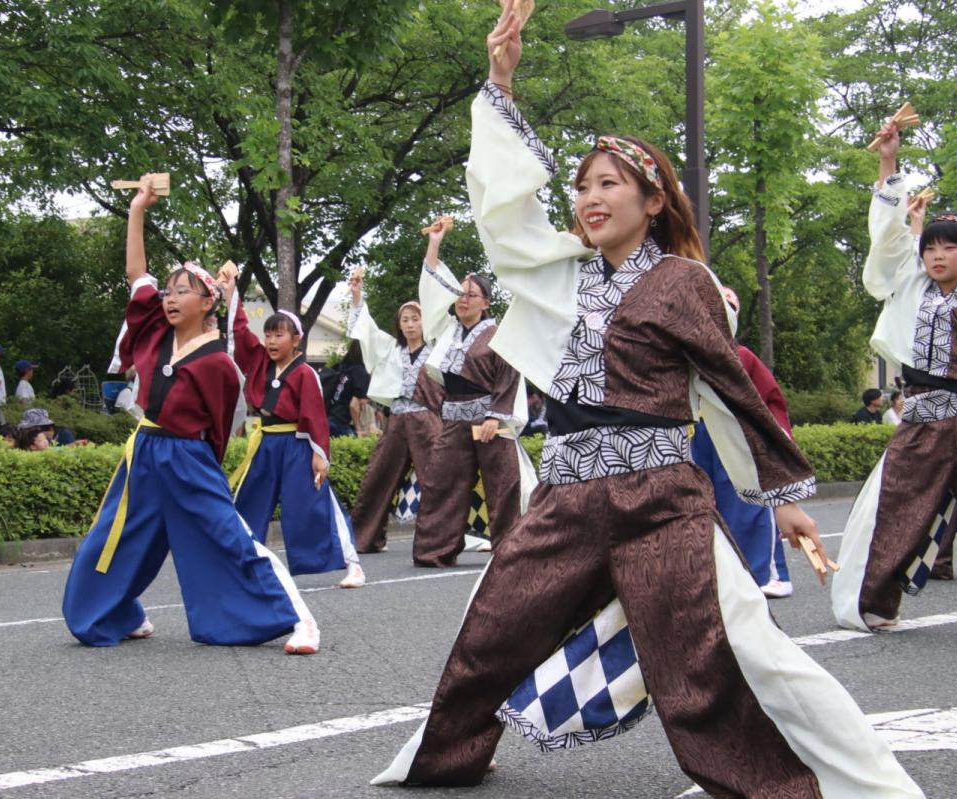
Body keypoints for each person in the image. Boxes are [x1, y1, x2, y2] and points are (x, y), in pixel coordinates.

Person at [373, 10, 923, 796]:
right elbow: (504, 219)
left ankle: (851, 785)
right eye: (583, 185)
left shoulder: (686, 284)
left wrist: (784, 498)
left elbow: (729, 392)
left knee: (727, 658)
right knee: (489, 634)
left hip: (661, 499)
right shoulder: (559, 275)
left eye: (609, 183)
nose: (589, 197)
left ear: (653, 197)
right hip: (567, 496)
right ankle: (442, 759)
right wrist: (499, 84)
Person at [62, 173, 318, 654]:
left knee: (227, 537)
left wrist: (204, 470)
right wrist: (137, 209)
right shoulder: (156, 336)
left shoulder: (218, 363)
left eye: (183, 291)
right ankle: (115, 611)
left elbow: (221, 428)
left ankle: (297, 618)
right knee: (114, 539)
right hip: (144, 450)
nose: (170, 297)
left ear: (208, 303)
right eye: (169, 291)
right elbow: (136, 275)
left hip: (190, 457)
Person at [831, 118, 957, 633]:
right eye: (931, 246)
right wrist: (889, 164)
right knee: (898, 511)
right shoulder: (910, 284)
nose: (936, 254)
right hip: (923, 420)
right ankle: (874, 604)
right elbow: (888, 238)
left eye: (950, 246)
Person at [223, 280, 366, 590]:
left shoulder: (305, 373)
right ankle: (242, 563)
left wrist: (320, 455)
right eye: (269, 334)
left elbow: (315, 416)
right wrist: (231, 293)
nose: (272, 341)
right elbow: (241, 331)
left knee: (312, 505)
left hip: (297, 445)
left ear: (297, 340)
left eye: (280, 335)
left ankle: (351, 562)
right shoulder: (260, 360)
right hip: (265, 444)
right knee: (249, 503)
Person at [409, 226, 529, 567]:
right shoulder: (445, 331)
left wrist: (496, 416)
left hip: (491, 418)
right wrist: (434, 243)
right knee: (440, 481)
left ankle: (509, 548)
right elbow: (431, 288)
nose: (463, 300)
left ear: (486, 302)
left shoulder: (498, 333)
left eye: (471, 295)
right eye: (460, 294)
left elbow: (510, 375)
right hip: (454, 417)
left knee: (503, 485)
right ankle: (435, 550)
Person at [691, 287, 795, 599]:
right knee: (700, 507)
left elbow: (770, 400)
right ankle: (718, 573)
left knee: (749, 504)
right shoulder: (687, 358)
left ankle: (765, 572)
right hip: (697, 435)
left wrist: (778, 437)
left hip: (736, 435)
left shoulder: (742, 357)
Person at [345, 259, 444, 554]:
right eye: (405, 319)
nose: (411, 324)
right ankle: (365, 537)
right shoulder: (391, 347)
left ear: (425, 322)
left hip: (427, 420)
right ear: (399, 324)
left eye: (416, 318)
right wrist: (357, 297)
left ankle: (439, 540)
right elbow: (367, 330)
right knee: (378, 475)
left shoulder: (437, 346)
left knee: (437, 478)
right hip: (397, 419)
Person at [325, 343, 370, 437]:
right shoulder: (360, 372)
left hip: (327, 418)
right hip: (339, 422)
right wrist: (358, 430)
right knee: (356, 447)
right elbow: (353, 405)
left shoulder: (342, 368)